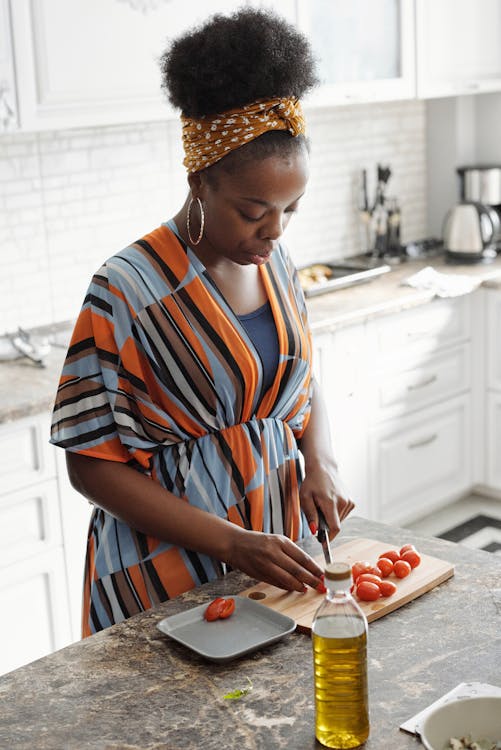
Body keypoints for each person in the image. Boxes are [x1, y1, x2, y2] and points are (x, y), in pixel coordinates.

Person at [50, 7, 354, 637]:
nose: (273, 234)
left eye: (290, 211)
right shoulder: (127, 289)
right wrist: (230, 542)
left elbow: (297, 380)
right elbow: (90, 462)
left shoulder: (277, 265)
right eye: (253, 212)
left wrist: (320, 460)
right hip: (165, 569)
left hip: (272, 547)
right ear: (200, 181)